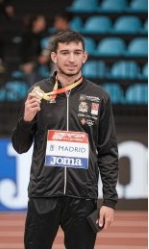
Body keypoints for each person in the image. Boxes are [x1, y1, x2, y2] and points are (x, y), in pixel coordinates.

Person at [11, 30, 118, 249]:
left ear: (84, 57)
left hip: (83, 197)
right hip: (44, 194)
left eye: (77, 53)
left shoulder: (99, 97)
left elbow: (107, 152)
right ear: (54, 57)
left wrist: (109, 201)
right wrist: (26, 120)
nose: (71, 59)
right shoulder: (38, 92)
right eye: (65, 52)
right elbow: (20, 146)